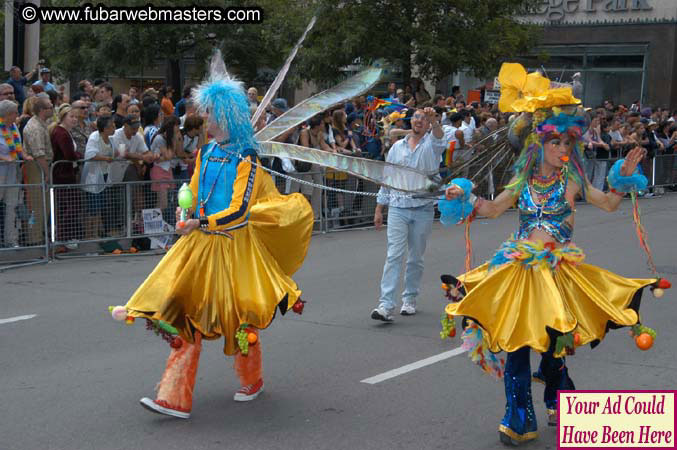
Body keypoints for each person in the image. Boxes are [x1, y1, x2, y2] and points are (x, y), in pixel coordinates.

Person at [440, 63, 662, 445]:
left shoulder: (574, 180)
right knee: (517, 347)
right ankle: (519, 418)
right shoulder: (522, 180)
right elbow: (493, 210)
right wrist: (466, 195)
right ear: (538, 144)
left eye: (567, 144)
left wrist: (623, 177)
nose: (562, 149)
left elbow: (608, 204)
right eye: (555, 143)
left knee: (552, 349)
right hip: (519, 271)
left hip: (558, 274)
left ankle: (561, 396)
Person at [113, 52, 313, 419]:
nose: (204, 117)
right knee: (184, 312)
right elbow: (190, 190)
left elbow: (239, 211)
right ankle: (173, 396)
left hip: (233, 247)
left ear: (227, 115)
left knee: (239, 319)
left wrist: (200, 223)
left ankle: (252, 379)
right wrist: (183, 211)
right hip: (199, 245)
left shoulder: (247, 157)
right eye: (203, 111)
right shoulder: (205, 152)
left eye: (210, 111)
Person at [371, 107, 447, 321]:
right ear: (411, 121)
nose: (419, 121)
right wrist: (379, 207)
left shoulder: (432, 145)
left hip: (422, 209)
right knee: (393, 255)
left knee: (415, 258)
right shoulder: (397, 147)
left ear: (428, 123)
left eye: (424, 119)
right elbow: (388, 177)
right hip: (398, 208)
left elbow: (440, 139)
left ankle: (409, 299)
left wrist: (435, 122)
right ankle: (385, 305)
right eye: (416, 117)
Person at [22, 96, 53, 246]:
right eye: (50, 107)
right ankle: (35, 239)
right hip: (37, 167)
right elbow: (39, 154)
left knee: (44, 205)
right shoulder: (34, 127)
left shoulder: (42, 124)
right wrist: (47, 174)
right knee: (37, 205)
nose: (53, 109)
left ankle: (39, 236)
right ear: (42, 110)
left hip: (41, 165)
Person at [50, 104, 83, 245]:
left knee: (69, 206)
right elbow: (69, 154)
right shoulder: (61, 132)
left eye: (76, 117)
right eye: (72, 117)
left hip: (67, 173)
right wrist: (80, 155)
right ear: (63, 117)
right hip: (62, 175)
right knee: (70, 206)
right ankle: (62, 236)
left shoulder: (65, 132)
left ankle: (65, 236)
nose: (75, 119)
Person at [0, 100, 29, 248]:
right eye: (15, 113)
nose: (17, 115)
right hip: (1, 173)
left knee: (12, 207)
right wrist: (5, 159)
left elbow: (18, 147)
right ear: (7, 114)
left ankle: (11, 240)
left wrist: (24, 156)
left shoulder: (13, 128)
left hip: (12, 173)